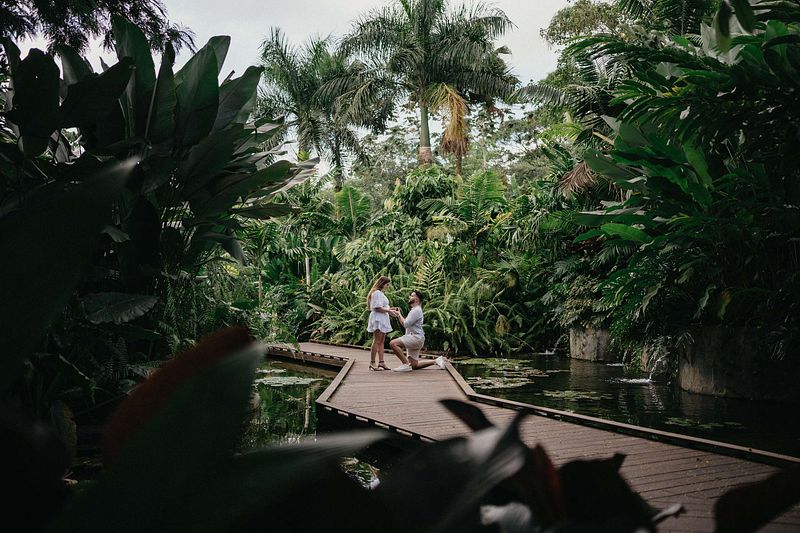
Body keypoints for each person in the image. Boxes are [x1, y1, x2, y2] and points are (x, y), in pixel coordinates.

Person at [388, 290, 446, 372]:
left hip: (415, 338)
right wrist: (397, 314)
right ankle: (436, 360)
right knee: (414, 365)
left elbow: (405, 324)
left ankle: (405, 364)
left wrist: (399, 314)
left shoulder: (416, 310)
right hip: (417, 338)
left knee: (393, 343)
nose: (409, 297)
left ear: (417, 299)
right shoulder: (415, 310)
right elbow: (406, 322)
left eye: (412, 296)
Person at [366, 276, 393, 371]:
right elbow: (377, 307)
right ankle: (372, 362)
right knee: (377, 340)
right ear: (382, 284)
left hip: (382, 317)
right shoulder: (377, 293)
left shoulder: (381, 293)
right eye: (387, 284)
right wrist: (389, 311)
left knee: (381, 341)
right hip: (378, 317)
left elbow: (383, 306)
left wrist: (391, 310)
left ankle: (381, 362)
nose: (388, 286)